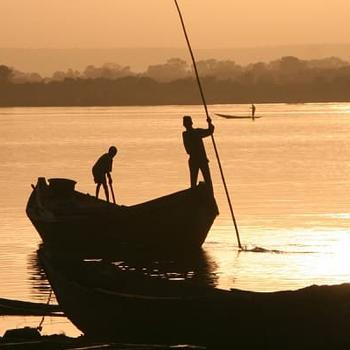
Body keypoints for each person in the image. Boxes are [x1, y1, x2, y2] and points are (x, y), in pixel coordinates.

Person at [182, 115, 214, 191]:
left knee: (196, 182)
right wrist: (209, 123)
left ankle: (206, 194)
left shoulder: (187, 134)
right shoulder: (195, 132)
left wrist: (209, 123)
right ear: (191, 123)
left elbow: (210, 131)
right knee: (205, 181)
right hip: (199, 160)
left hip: (196, 160)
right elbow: (210, 131)